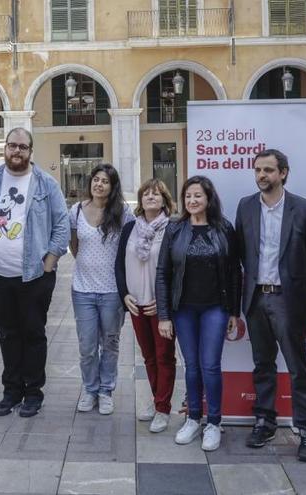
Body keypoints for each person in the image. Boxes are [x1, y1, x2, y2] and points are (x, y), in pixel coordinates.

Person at [234, 149, 306, 461]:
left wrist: (300, 292)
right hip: (256, 297)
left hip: (289, 300)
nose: (262, 175)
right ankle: (265, 420)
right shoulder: (245, 207)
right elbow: (241, 256)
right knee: (262, 364)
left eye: (269, 170)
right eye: (258, 170)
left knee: (299, 368)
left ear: (283, 173)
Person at [0, 127, 69, 418]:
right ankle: (11, 390)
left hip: (34, 277)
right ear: (4, 148)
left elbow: (62, 225)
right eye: (12, 146)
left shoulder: (45, 184)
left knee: (33, 334)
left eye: (22, 147)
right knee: (7, 334)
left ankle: (33, 392)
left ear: (30, 151)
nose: (16, 151)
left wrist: (49, 262)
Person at [155, 176, 240, 451]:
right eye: (188, 196)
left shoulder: (224, 228)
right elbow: (163, 273)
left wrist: (234, 313)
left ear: (208, 198)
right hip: (184, 309)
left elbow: (234, 273)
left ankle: (213, 422)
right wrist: (164, 315)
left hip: (215, 307)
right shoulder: (175, 228)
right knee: (191, 366)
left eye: (198, 196)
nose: (192, 201)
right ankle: (193, 418)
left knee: (210, 365)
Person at [68, 164, 132, 415]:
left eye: (105, 181)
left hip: (112, 292)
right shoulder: (76, 210)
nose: (99, 185)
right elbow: (74, 247)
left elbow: (131, 246)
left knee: (111, 342)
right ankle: (90, 389)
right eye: (96, 180)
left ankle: (106, 390)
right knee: (87, 345)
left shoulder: (123, 212)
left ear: (112, 186)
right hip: (82, 290)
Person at [116, 178, 176, 433]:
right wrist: (124, 295)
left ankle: (163, 408)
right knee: (149, 356)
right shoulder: (130, 228)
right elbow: (118, 265)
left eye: (156, 193)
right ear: (140, 200)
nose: (151, 197)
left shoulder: (173, 229)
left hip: (159, 307)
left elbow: (178, 270)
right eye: (146, 194)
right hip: (136, 304)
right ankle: (155, 400)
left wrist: (165, 305)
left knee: (164, 357)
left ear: (165, 199)